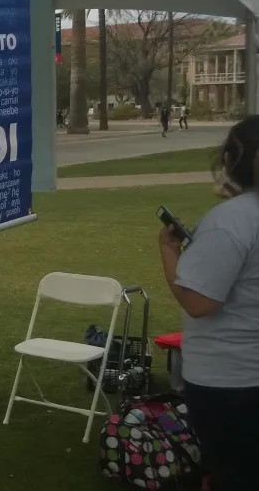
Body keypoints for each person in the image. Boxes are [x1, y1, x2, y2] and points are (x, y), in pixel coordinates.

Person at [157, 116, 259, 491]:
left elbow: (198, 302)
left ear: (232, 160)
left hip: (231, 382)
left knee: (236, 472)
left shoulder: (230, 222)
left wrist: (169, 251)